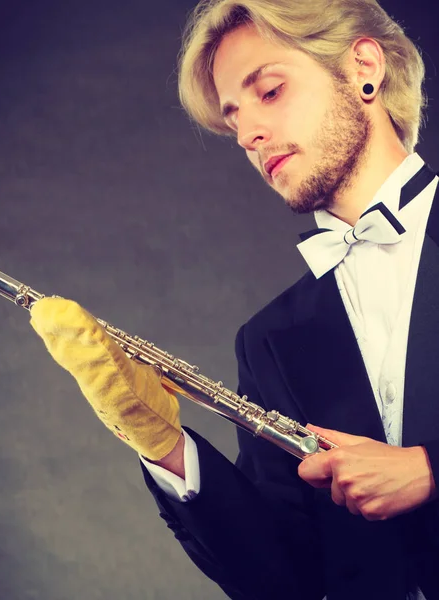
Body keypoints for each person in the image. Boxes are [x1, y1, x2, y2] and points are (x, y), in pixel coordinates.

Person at [29, 0, 439, 598]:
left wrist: (430, 471)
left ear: (363, 69)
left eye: (269, 91)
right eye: (234, 118)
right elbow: (279, 580)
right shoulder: (269, 340)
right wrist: (164, 447)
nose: (248, 134)